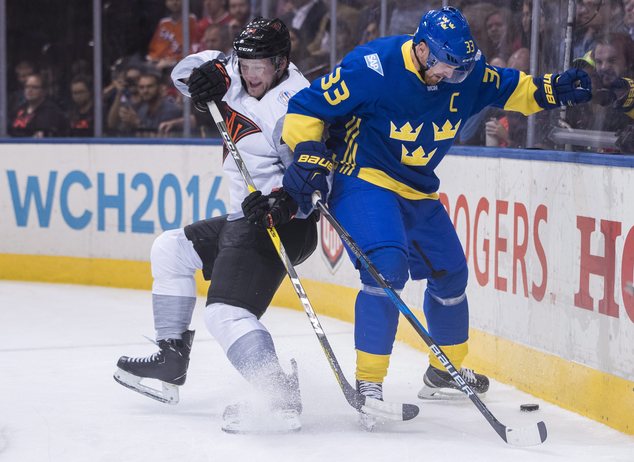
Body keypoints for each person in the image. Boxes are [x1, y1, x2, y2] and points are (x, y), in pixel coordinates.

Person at [279, 6, 592, 430]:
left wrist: (553, 91)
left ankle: (443, 370)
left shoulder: (465, 70)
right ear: (422, 49)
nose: (454, 76)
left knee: (450, 274)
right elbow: (305, 108)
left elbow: (514, 89)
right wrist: (307, 153)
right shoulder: (374, 66)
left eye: (462, 68)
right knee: (384, 268)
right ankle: (369, 384)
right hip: (364, 178)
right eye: (447, 66)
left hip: (418, 190)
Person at [114, 17, 318, 433]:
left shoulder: (298, 104)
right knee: (170, 249)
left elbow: (318, 174)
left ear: (281, 64)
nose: (250, 74)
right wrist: (217, 72)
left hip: (280, 224)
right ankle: (171, 360)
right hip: (242, 219)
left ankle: (278, 392)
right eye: (243, 64)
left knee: (225, 313)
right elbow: (184, 71)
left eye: (259, 66)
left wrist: (286, 203)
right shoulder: (236, 74)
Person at [9, 73, 68, 138]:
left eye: (34, 87)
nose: (29, 90)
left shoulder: (51, 112)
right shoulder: (19, 109)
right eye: (27, 87)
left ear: (44, 91)